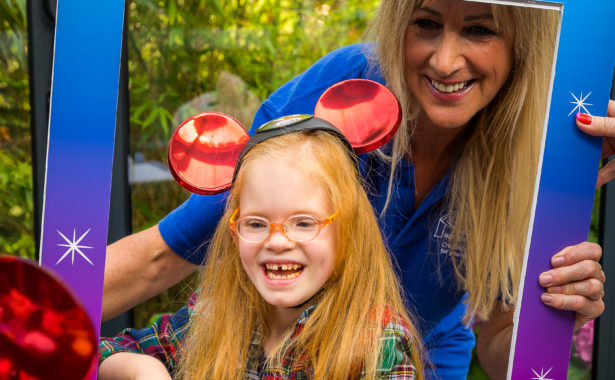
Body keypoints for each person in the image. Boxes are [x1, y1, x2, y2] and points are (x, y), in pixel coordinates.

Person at [103, 1, 613, 378]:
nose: (445, 60)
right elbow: (163, 256)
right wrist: (33, 321)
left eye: (479, 30)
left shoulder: (536, 153)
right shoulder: (342, 95)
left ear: (522, 46)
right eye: (427, 24)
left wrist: (550, 320)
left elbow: (502, 340)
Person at [98, 120, 423, 379]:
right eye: (255, 224)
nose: (278, 242)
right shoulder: (211, 319)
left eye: (304, 223)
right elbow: (87, 353)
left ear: (348, 230)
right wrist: (140, 368)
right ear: (234, 232)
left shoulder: (377, 344)